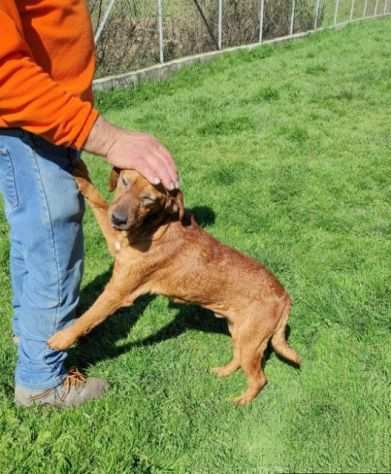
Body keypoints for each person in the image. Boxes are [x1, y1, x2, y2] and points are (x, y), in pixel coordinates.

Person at [0, 0, 178, 408]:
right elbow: (4, 73)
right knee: (53, 241)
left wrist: (78, 123)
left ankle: (28, 333)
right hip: (26, 123)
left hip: (48, 118)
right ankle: (42, 383)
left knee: (34, 233)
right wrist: (108, 138)